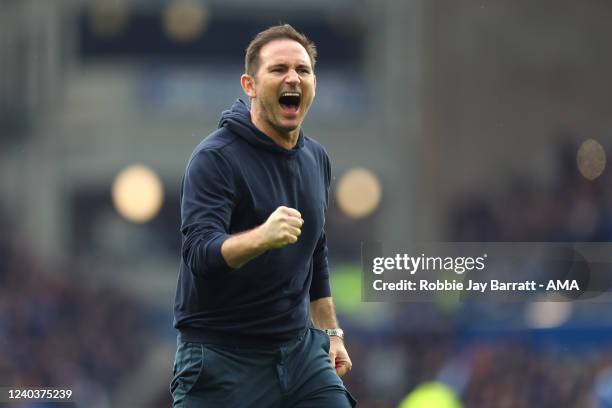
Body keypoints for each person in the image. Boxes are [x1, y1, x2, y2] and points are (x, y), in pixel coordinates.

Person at [171, 24, 356, 407]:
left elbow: (315, 251)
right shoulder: (215, 158)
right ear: (250, 85)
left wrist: (332, 333)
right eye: (278, 69)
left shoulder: (316, 158)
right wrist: (263, 237)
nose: (293, 78)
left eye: (303, 70)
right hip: (222, 359)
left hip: (299, 355)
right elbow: (199, 254)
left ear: (314, 85)